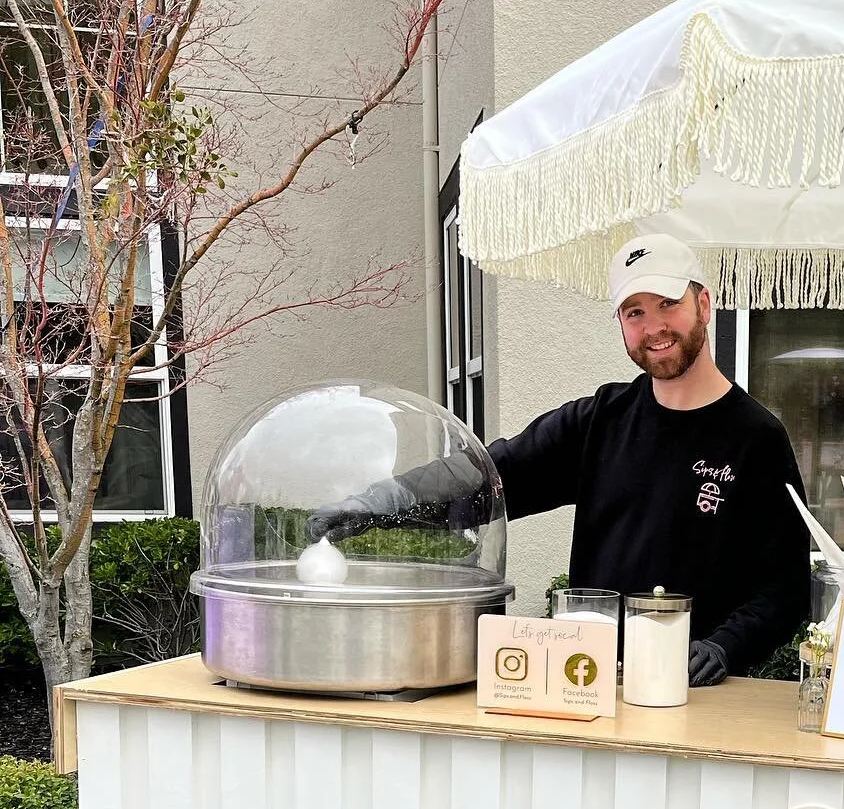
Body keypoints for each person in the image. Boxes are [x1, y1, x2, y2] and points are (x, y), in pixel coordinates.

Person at [309, 234, 811, 685]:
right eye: (634, 312)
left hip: (695, 695)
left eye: (667, 303)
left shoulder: (757, 438)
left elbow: (785, 589)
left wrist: (724, 647)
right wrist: (381, 502)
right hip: (589, 682)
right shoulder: (600, 422)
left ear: (703, 302)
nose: (653, 326)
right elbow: (489, 474)